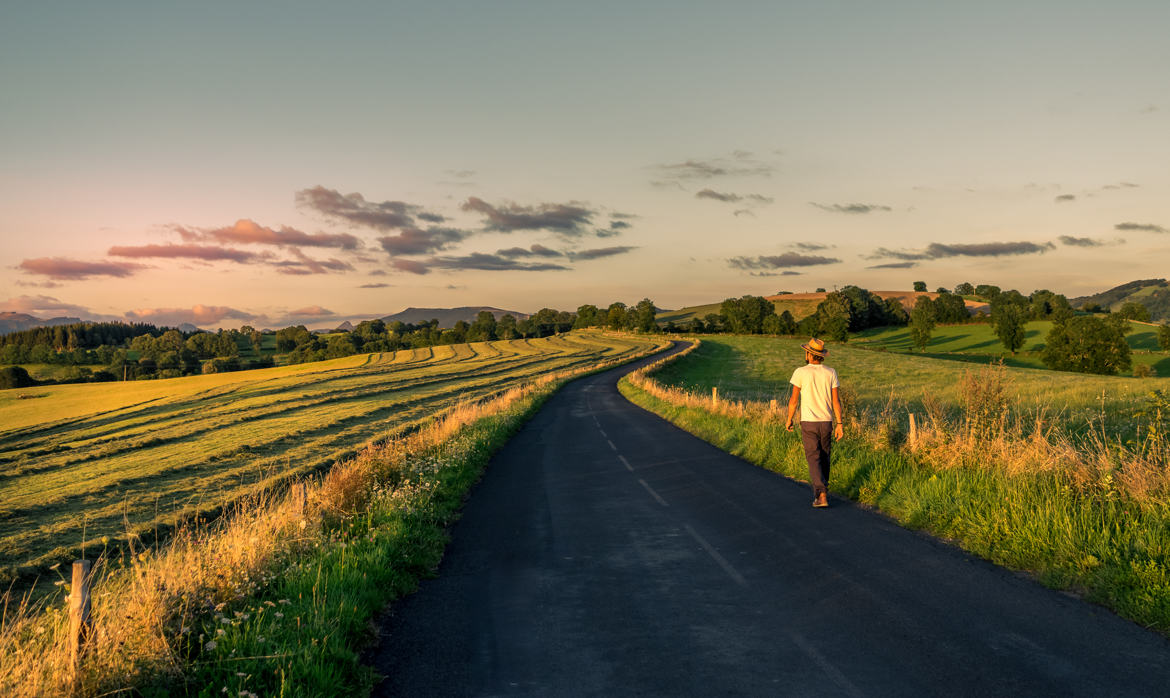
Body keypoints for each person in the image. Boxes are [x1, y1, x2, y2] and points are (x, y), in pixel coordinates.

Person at [784, 338, 843, 508]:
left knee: (813, 458)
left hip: (808, 422)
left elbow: (793, 400)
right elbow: (836, 401)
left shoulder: (800, 372)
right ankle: (823, 489)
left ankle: (821, 493)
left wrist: (789, 419)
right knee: (825, 457)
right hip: (826, 422)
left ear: (809, 354)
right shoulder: (831, 372)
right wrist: (840, 424)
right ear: (821, 355)